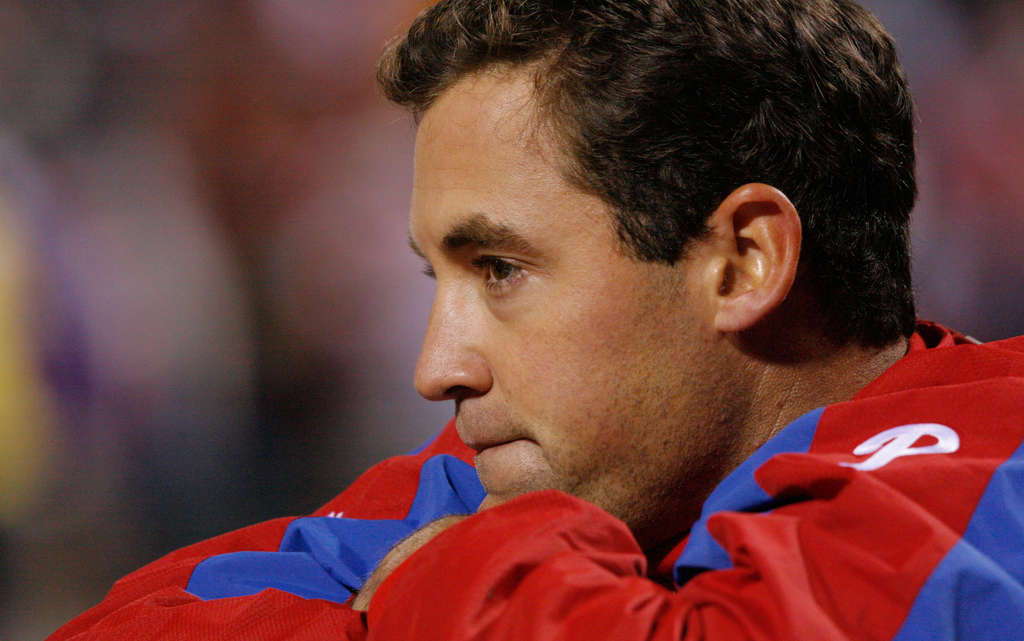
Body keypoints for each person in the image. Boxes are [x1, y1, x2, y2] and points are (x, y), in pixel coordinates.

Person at [48, 1, 1024, 639]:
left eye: (501, 269)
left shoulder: (1000, 474)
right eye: (436, 277)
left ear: (742, 261)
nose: (438, 366)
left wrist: (445, 578)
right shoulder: (522, 473)